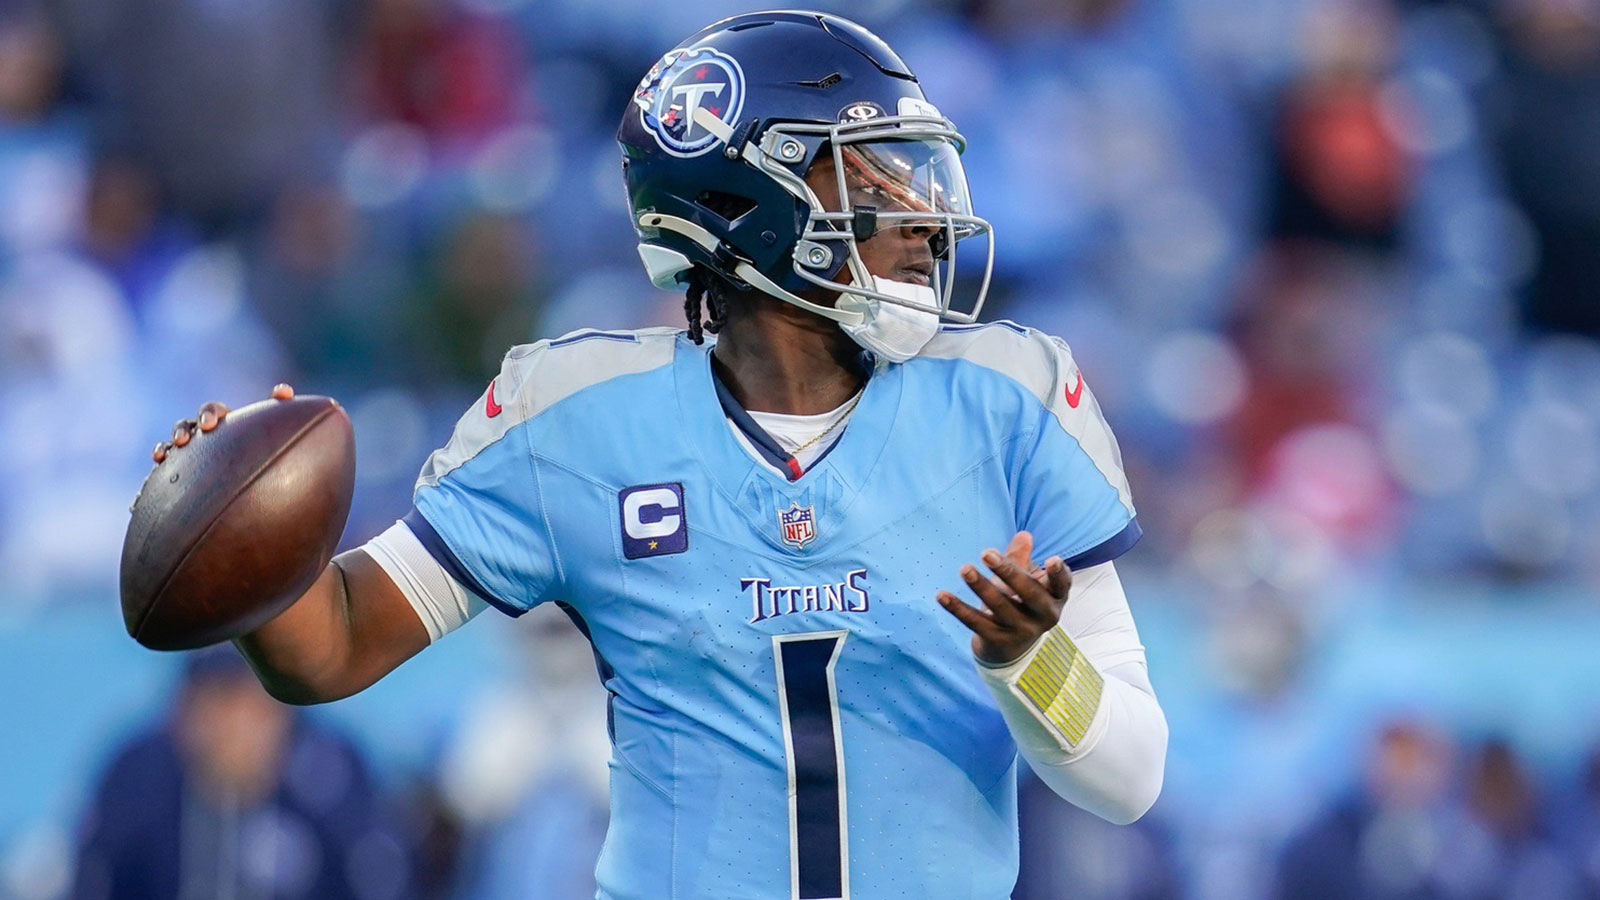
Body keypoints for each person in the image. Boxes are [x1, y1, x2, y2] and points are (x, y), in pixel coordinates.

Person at [149, 11, 1168, 899]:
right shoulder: (577, 417)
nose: (917, 213)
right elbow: (329, 647)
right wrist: (237, 530)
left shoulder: (1010, 394)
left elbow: (1128, 781)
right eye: (865, 173)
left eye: (909, 171)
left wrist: (1031, 660)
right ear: (740, 204)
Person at [71, 647, 414, 900]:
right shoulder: (138, 774)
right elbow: (92, 880)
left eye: (251, 704)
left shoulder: (330, 773)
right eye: (218, 702)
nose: (235, 725)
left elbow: (386, 880)